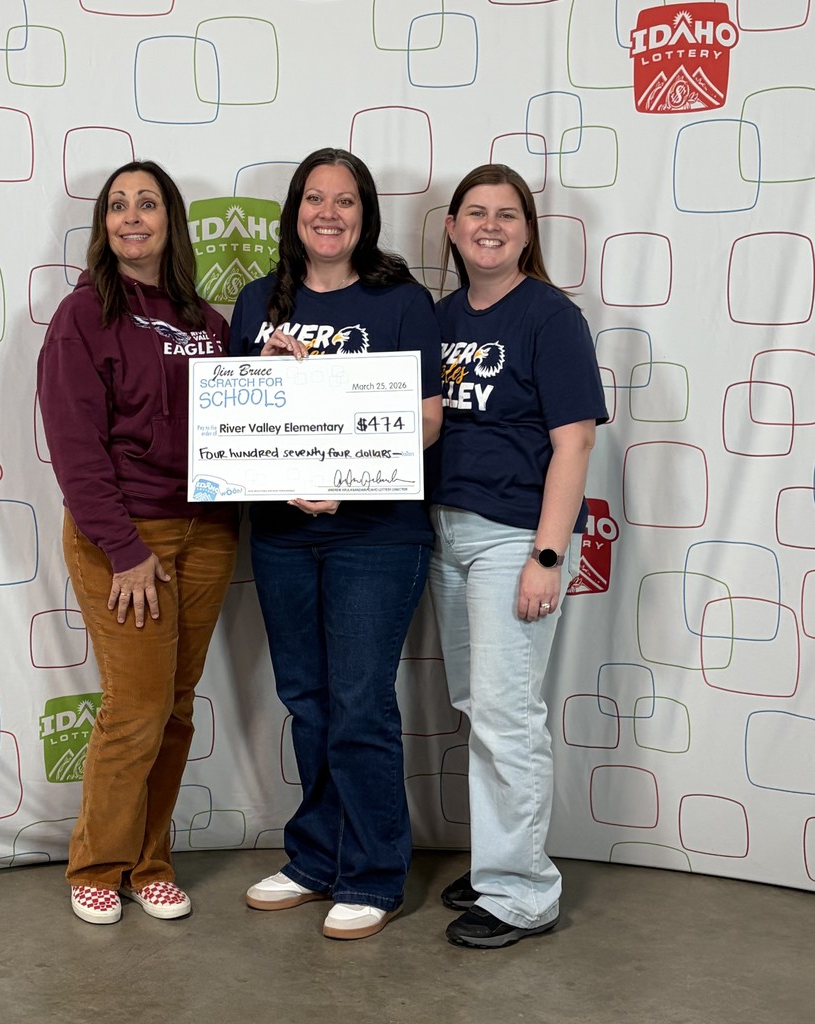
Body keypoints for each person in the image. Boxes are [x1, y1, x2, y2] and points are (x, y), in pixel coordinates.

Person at [229, 147, 443, 940]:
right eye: (314, 199)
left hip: (376, 535)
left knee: (358, 704)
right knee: (308, 703)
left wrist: (348, 475)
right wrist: (268, 376)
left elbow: (426, 419)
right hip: (284, 533)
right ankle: (317, 858)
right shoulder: (258, 302)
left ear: (365, 214)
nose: (329, 213)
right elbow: (242, 419)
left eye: (344, 200)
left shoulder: (401, 302)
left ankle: (375, 874)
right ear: (294, 212)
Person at [37, 160, 239, 925]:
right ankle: (97, 862)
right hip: (125, 537)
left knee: (177, 707)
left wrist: (280, 379)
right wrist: (123, 549)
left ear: (169, 221)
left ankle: (150, 861)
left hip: (209, 532)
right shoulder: (83, 315)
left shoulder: (205, 322)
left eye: (146, 203)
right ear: (103, 226)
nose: (131, 216)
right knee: (136, 705)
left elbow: (231, 423)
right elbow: (75, 445)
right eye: (117, 205)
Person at [428, 164, 607, 949]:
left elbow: (575, 440)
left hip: (512, 538)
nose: (490, 225)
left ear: (527, 231)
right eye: (476, 212)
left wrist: (547, 553)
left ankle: (524, 893)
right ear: (452, 228)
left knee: (507, 715)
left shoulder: (550, 317)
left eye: (507, 214)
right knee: (479, 706)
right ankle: (506, 858)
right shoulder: (436, 317)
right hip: (442, 533)